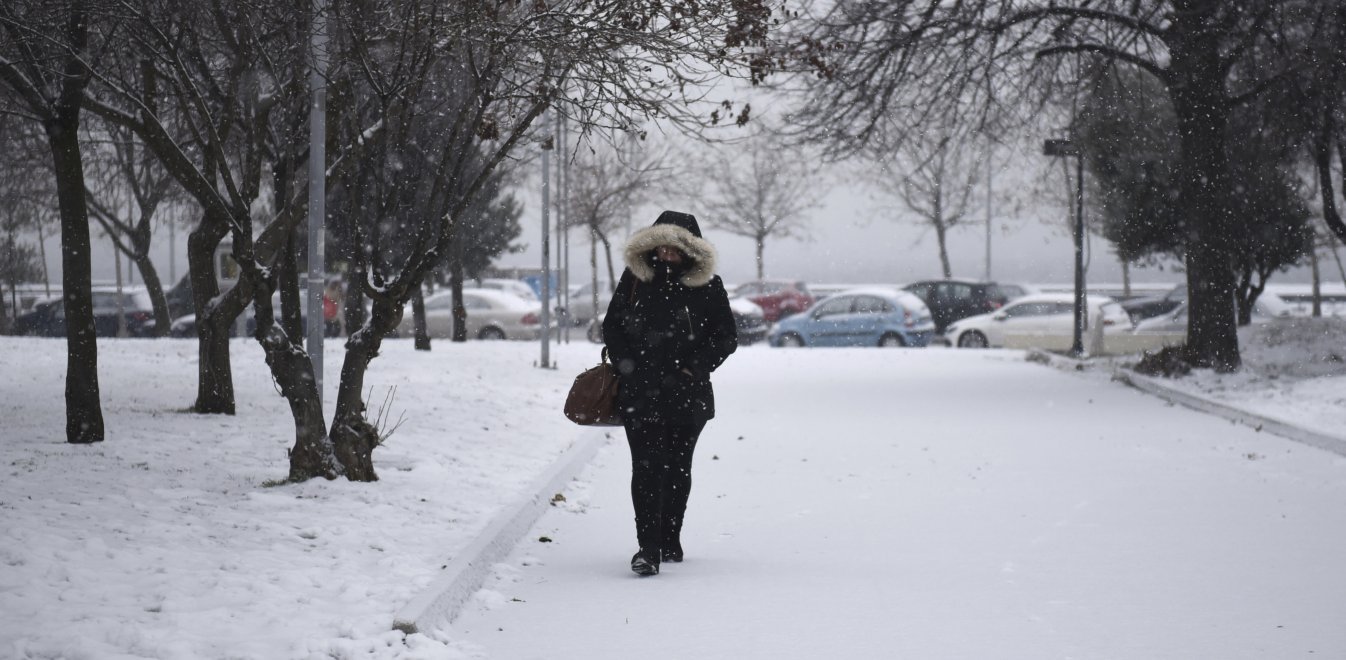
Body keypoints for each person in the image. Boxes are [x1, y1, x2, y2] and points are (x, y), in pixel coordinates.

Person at [602, 210, 738, 576]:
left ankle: (669, 536)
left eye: (674, 250)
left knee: (677, 469)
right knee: (646, 469)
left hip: (687, 395)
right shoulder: (634, 280)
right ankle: (647, 547)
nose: (666, 256)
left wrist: (694, 367)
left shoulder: (708, 285)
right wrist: (627, 363)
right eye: (660, 248)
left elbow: (726, 336)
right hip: (640, 393)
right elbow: (612, 326)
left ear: (690, 251)